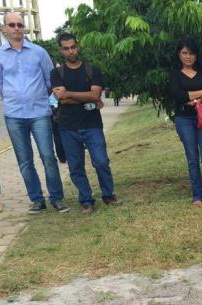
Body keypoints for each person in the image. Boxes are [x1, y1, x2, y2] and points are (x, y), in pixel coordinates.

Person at [0, 12, 69, 214]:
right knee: (25, 160)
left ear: (25, 27)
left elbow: (51, 83)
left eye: (20, 24)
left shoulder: (39, 52)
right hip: (14, 116)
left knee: (48, 156)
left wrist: (52, 105)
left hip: (39, 113)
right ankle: (37, 199)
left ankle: (57, 198)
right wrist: (13, 99)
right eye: (11, 25)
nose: (16, 28)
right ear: (4, 28)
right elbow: (0, 85)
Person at [51, 33, 119, 215]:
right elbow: (60, 100)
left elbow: (95, 96)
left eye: (73, 47)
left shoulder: (92, 70)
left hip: (92, 124)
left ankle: (108, 194)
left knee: (101, 161)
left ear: (78, 46)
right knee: (76, 166)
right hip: (67, 126)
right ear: (61, 50)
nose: (70, 51)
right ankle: (86, 199)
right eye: (66, 48)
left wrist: (69, 94)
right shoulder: (56, 73)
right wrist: (84, 96)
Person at [169, 37, 202, 208]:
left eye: (191, 53)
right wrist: (200, 92)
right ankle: (197, 195)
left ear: (196, 55)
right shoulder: (175, 74)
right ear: (179, 54)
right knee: (192, 158)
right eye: (184, 53)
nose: (188, 56)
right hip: (184, 119)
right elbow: (177, 96)